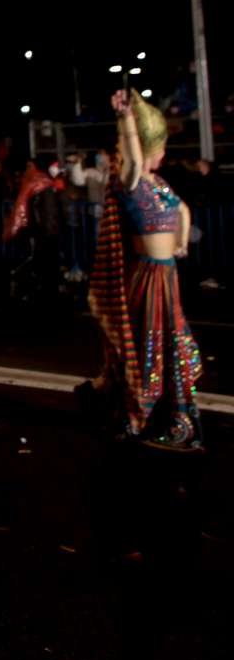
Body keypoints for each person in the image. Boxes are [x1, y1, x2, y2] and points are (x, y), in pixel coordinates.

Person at [89, 90, 203, 450]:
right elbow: (135, 161)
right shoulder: (131, 182)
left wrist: (182, 240)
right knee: (147, 344)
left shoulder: (161, 185)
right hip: (148, 276)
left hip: (167, 275)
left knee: (172, 344)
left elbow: (183, 210)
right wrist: (125, 118)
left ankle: (178, 417)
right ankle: (138, 414)